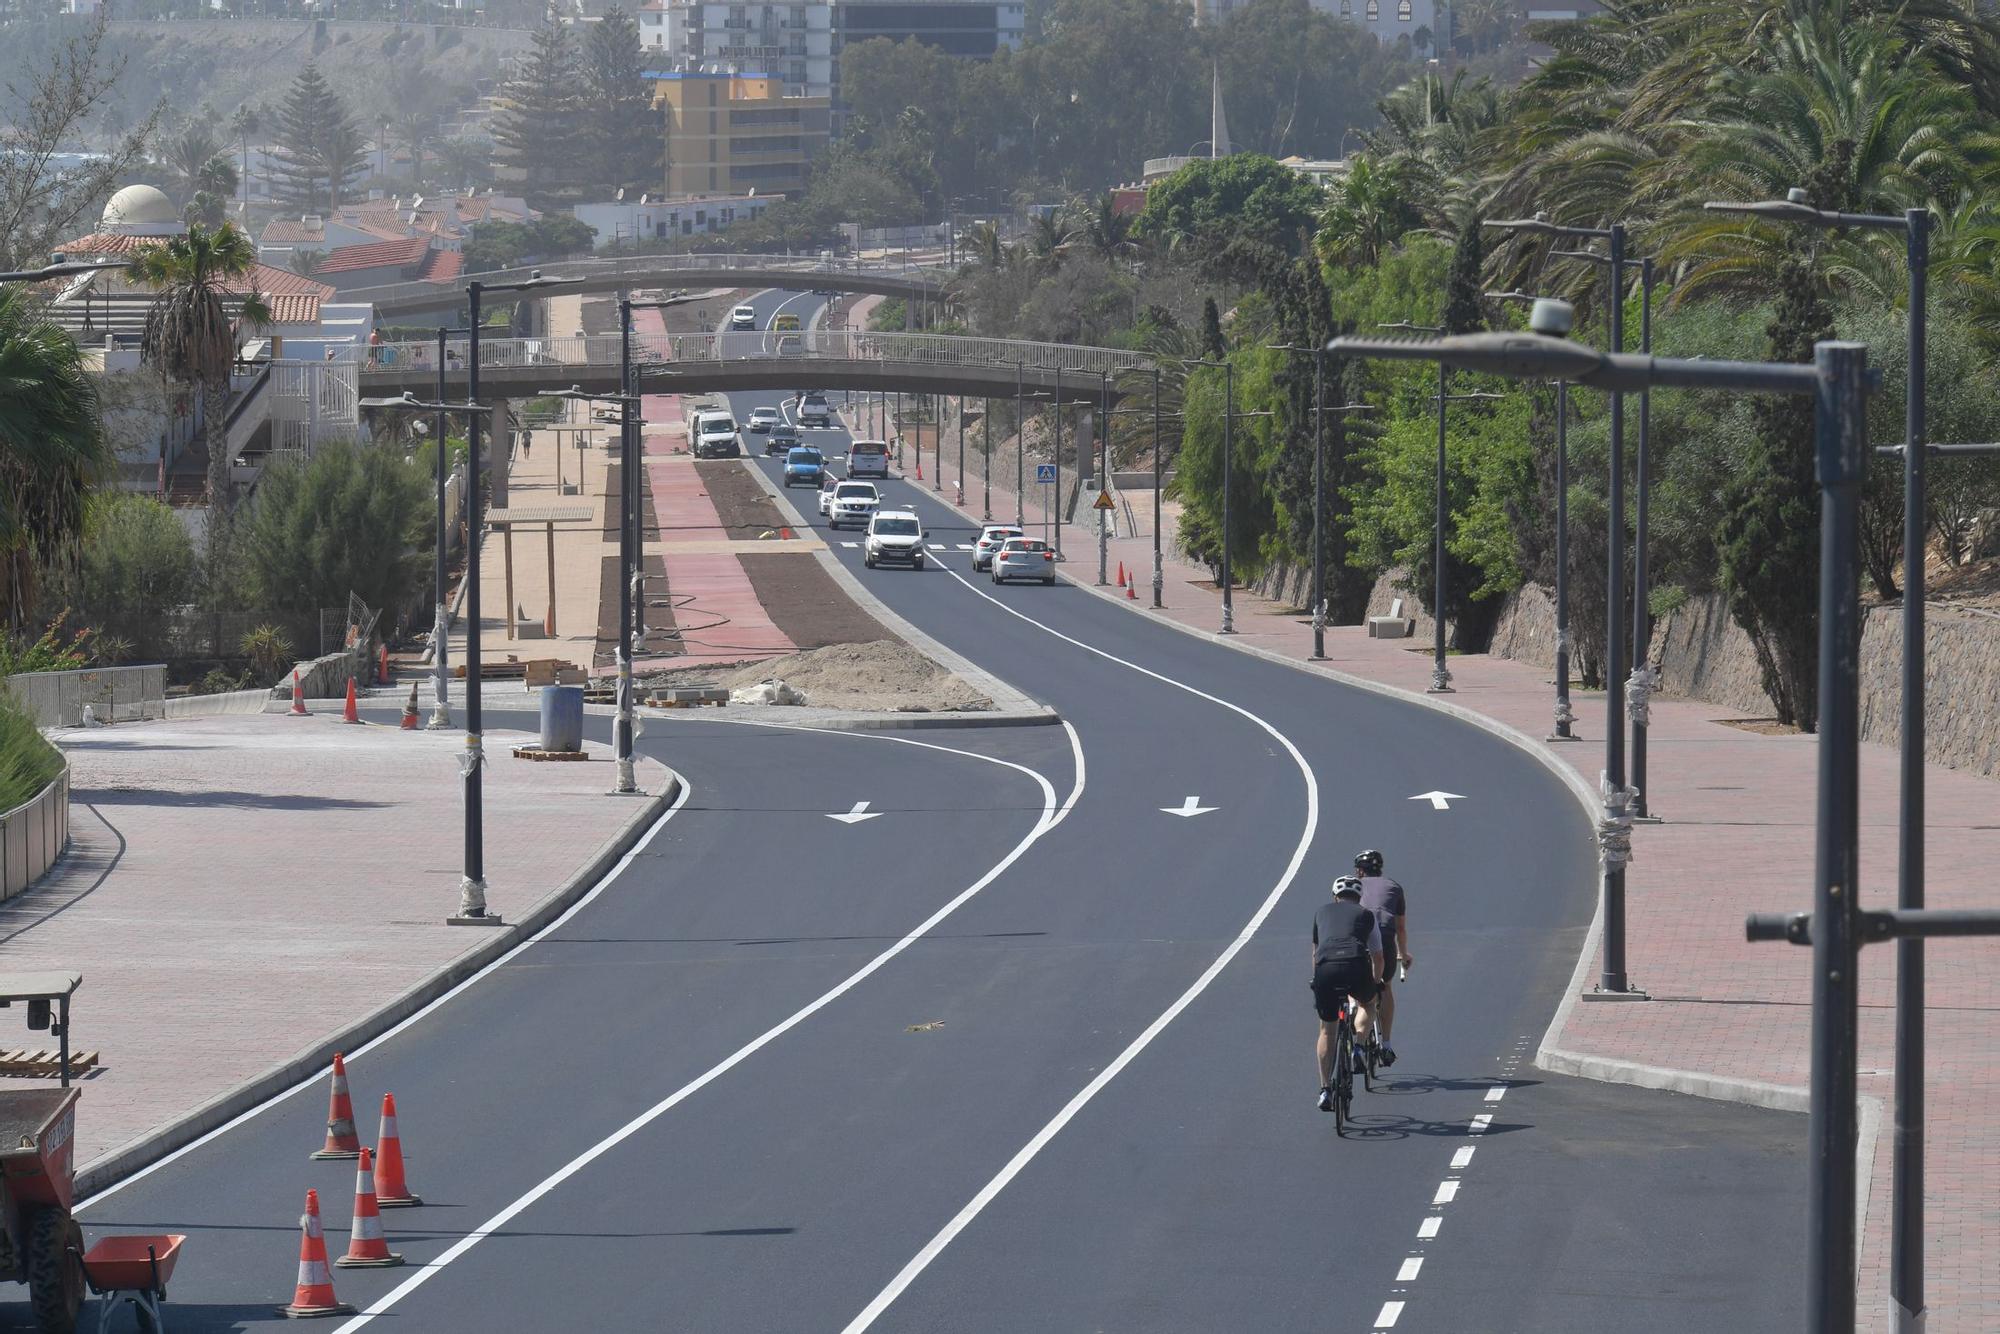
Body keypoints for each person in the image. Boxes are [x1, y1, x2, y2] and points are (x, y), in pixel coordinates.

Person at [1311, 876, 1383, 1111]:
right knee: (1368, 1004)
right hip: (1356, 965)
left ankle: (1325, 1090)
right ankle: (1360, 1046)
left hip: (1326, 969)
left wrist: (1317, 981)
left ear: (1334, 897)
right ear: (1359, 897)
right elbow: (1378, 957)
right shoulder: (1366, 915)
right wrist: (1374, 983)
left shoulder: (1321, 912)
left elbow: (1316, 954)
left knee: (1327, 1029)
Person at [1353, 849, 1411, 1067]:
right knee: (1384, 986)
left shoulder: (1352, 886)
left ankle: (1353, 1017)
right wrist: (1403, 954)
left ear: (1359, 871)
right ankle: (1386, 1045)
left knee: (1357, 988)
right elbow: (1401, 928)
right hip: (1385, 940)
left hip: (1357, 940)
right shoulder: (1394, 887)